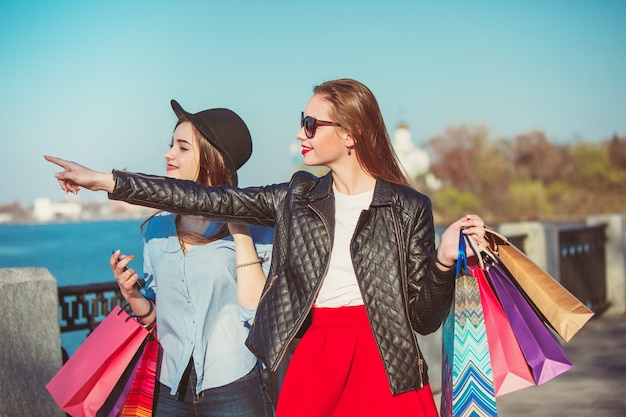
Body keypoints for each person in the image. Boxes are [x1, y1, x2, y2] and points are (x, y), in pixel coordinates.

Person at [45, 78, 488, 417]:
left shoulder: (407, 207)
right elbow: (202, 197)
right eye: (302, 120)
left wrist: (445, 258)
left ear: (351, 134)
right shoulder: (295, 196)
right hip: (312, 354)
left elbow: (425, 320)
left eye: (312, 124)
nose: (301, 133)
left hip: (387, 362)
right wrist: (105, 180)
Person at [106, 100, 275, 416]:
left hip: (234, 385)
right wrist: (131, 293)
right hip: (169, 389)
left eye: (182, 147)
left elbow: (258, 312)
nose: (169, 154)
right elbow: (156, 317)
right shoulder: (156, 229)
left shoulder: (259, 229)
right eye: (172, 145)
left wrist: (236, 220)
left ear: (211, 160)